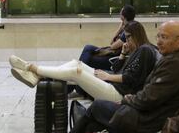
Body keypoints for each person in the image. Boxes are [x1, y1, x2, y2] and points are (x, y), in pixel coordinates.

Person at [51, 21, 179, 133]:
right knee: (93, 118)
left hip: (148, 121)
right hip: (150, 114)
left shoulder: (175, 64)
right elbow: (150, 92)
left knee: (97, 107)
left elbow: (148, 98)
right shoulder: (177, 59)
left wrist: (126, 100)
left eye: (164, 37)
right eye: (159, 36)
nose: (159, 41)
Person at [9, 21, 159, 102]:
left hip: (118, 93)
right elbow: (116, 68)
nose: (126, 41)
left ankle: (32, 68)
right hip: (113, 84)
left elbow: (132, 78)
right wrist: (123, 54)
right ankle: (37, 75)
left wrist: (107, 77)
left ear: (136, 36)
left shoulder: (146, 50)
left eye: (128, 37)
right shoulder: (138, 50)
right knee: (76, 63)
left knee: (76, 72)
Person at [78, 5, 136, 71]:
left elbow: (113, 46)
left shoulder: (128, 30)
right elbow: (111, 42)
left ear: (124, 15)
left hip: (115, 58)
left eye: (121, 12)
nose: (119, 13)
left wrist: (119, 30)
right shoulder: (128, 26)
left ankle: (77, 72)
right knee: (88, 48)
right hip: (113, 53)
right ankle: (77, 70)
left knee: (88, 58)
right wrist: (120, 28)